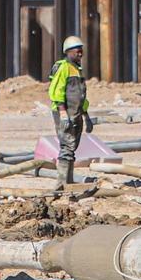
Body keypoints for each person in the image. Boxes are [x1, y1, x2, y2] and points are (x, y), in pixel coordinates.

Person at [48, 35, 91, 186]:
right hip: (65, 113)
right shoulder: (64, 67)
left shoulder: (77, 69)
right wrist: (62, 113)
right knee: (66, 146)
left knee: (72, 147)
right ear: (68, 51)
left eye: (81, 51)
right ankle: (61, 184)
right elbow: (56, 90)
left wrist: (86, 116)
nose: (80, 54)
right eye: (77, 51)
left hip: (76, 114)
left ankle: (69, 182)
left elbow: (81, 96)